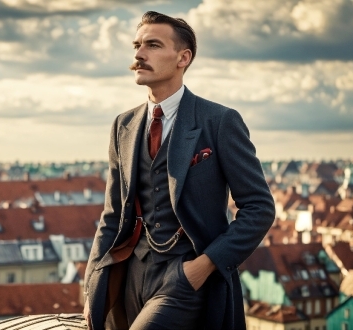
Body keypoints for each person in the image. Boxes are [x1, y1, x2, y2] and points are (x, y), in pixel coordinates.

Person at [83, 11, 275, 330]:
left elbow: (260, 208)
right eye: (137, 45)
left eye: (153, 45)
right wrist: (92, 287)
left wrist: (202, 268)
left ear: (183, 58)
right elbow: (112, 216)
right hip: (128, 272)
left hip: (183, 275)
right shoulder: (124, 125)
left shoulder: (219, 121)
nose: (139, 54)